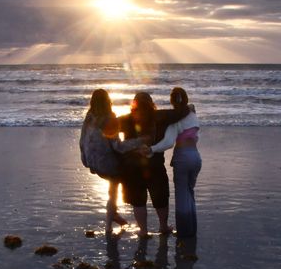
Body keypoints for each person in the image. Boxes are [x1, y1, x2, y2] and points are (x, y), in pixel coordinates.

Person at [118, 92, 188, 236]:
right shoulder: (160, 116)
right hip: (155, 165)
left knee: (138, 200)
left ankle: (143, 230)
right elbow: (180, 112)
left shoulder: (126, 119)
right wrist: (189, 108)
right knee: (161, 198)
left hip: (132, 167)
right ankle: (163, 227)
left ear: (134, 104)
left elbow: (107, 127)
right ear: (151, 103)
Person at [80, 89, 144, 235]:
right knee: (124, 175)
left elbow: (82, 141)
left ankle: (113, 213)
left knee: (113, 183)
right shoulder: (110, 118)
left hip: (91, 161)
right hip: (105, 164)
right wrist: (138, 142)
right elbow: (118, 147)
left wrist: (85, 159)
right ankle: (109, 225)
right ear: (108, 101)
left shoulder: (89, 117)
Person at [147, 87, 201, 238]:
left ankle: (184, 232)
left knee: (182, 194)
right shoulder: (193, 115)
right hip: (196, 157)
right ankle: (192, 228)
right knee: (190, 193)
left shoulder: (175, 120)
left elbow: (168, 142)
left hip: (182, 158)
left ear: (172, 101)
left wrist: (151, 149)